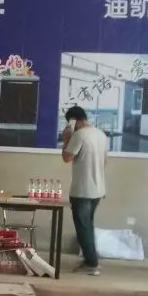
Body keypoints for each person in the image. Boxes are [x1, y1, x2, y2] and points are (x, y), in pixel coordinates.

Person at [61, 106, 109, 275]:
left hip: (82, 190)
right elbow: (104, 161)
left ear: (73, 120)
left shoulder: (79, 135)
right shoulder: (101, 135)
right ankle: (91, 260)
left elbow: (67, 157)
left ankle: (91, 264)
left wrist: (66, 139)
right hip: (98, 189)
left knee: (83, 228)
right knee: (88, 226)